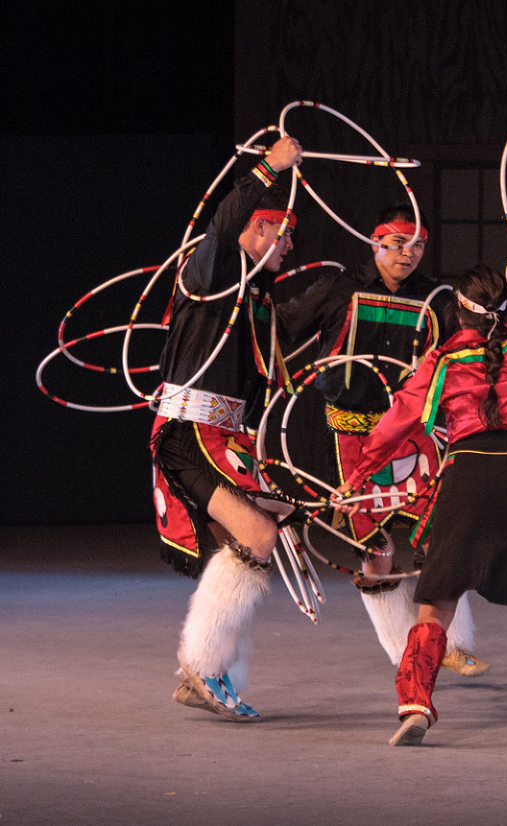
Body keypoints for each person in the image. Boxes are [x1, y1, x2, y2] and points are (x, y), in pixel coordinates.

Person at [334, 258, 507, 745]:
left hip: (469, 474)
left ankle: (415, 705)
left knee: (438, 603)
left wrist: (358, 475)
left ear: (459, 312)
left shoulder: (442, 360)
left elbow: (399, 420)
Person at [276, 207, 489, 677]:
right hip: (355, 430)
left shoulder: (436, 299)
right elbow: (279, 324)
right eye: (396, 244)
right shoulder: (340, 288)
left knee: (440, 533)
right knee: (375, 545)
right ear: (374, 243)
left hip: (417, 432)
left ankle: (447, 643)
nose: (407, 254)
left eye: (417, 246)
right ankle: (404, 651)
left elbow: (467, 355)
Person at [150, 135, 302, 721]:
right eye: (281, 233)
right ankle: (202, 667)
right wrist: (269, 166)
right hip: (190, 433)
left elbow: (306, 327)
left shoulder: (256, 298)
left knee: (246, 544)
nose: (289, 245)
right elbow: (224, 220)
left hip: (223, 439)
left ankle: (208, 668)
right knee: (259, 536)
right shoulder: (213, 272)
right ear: (258, 230)